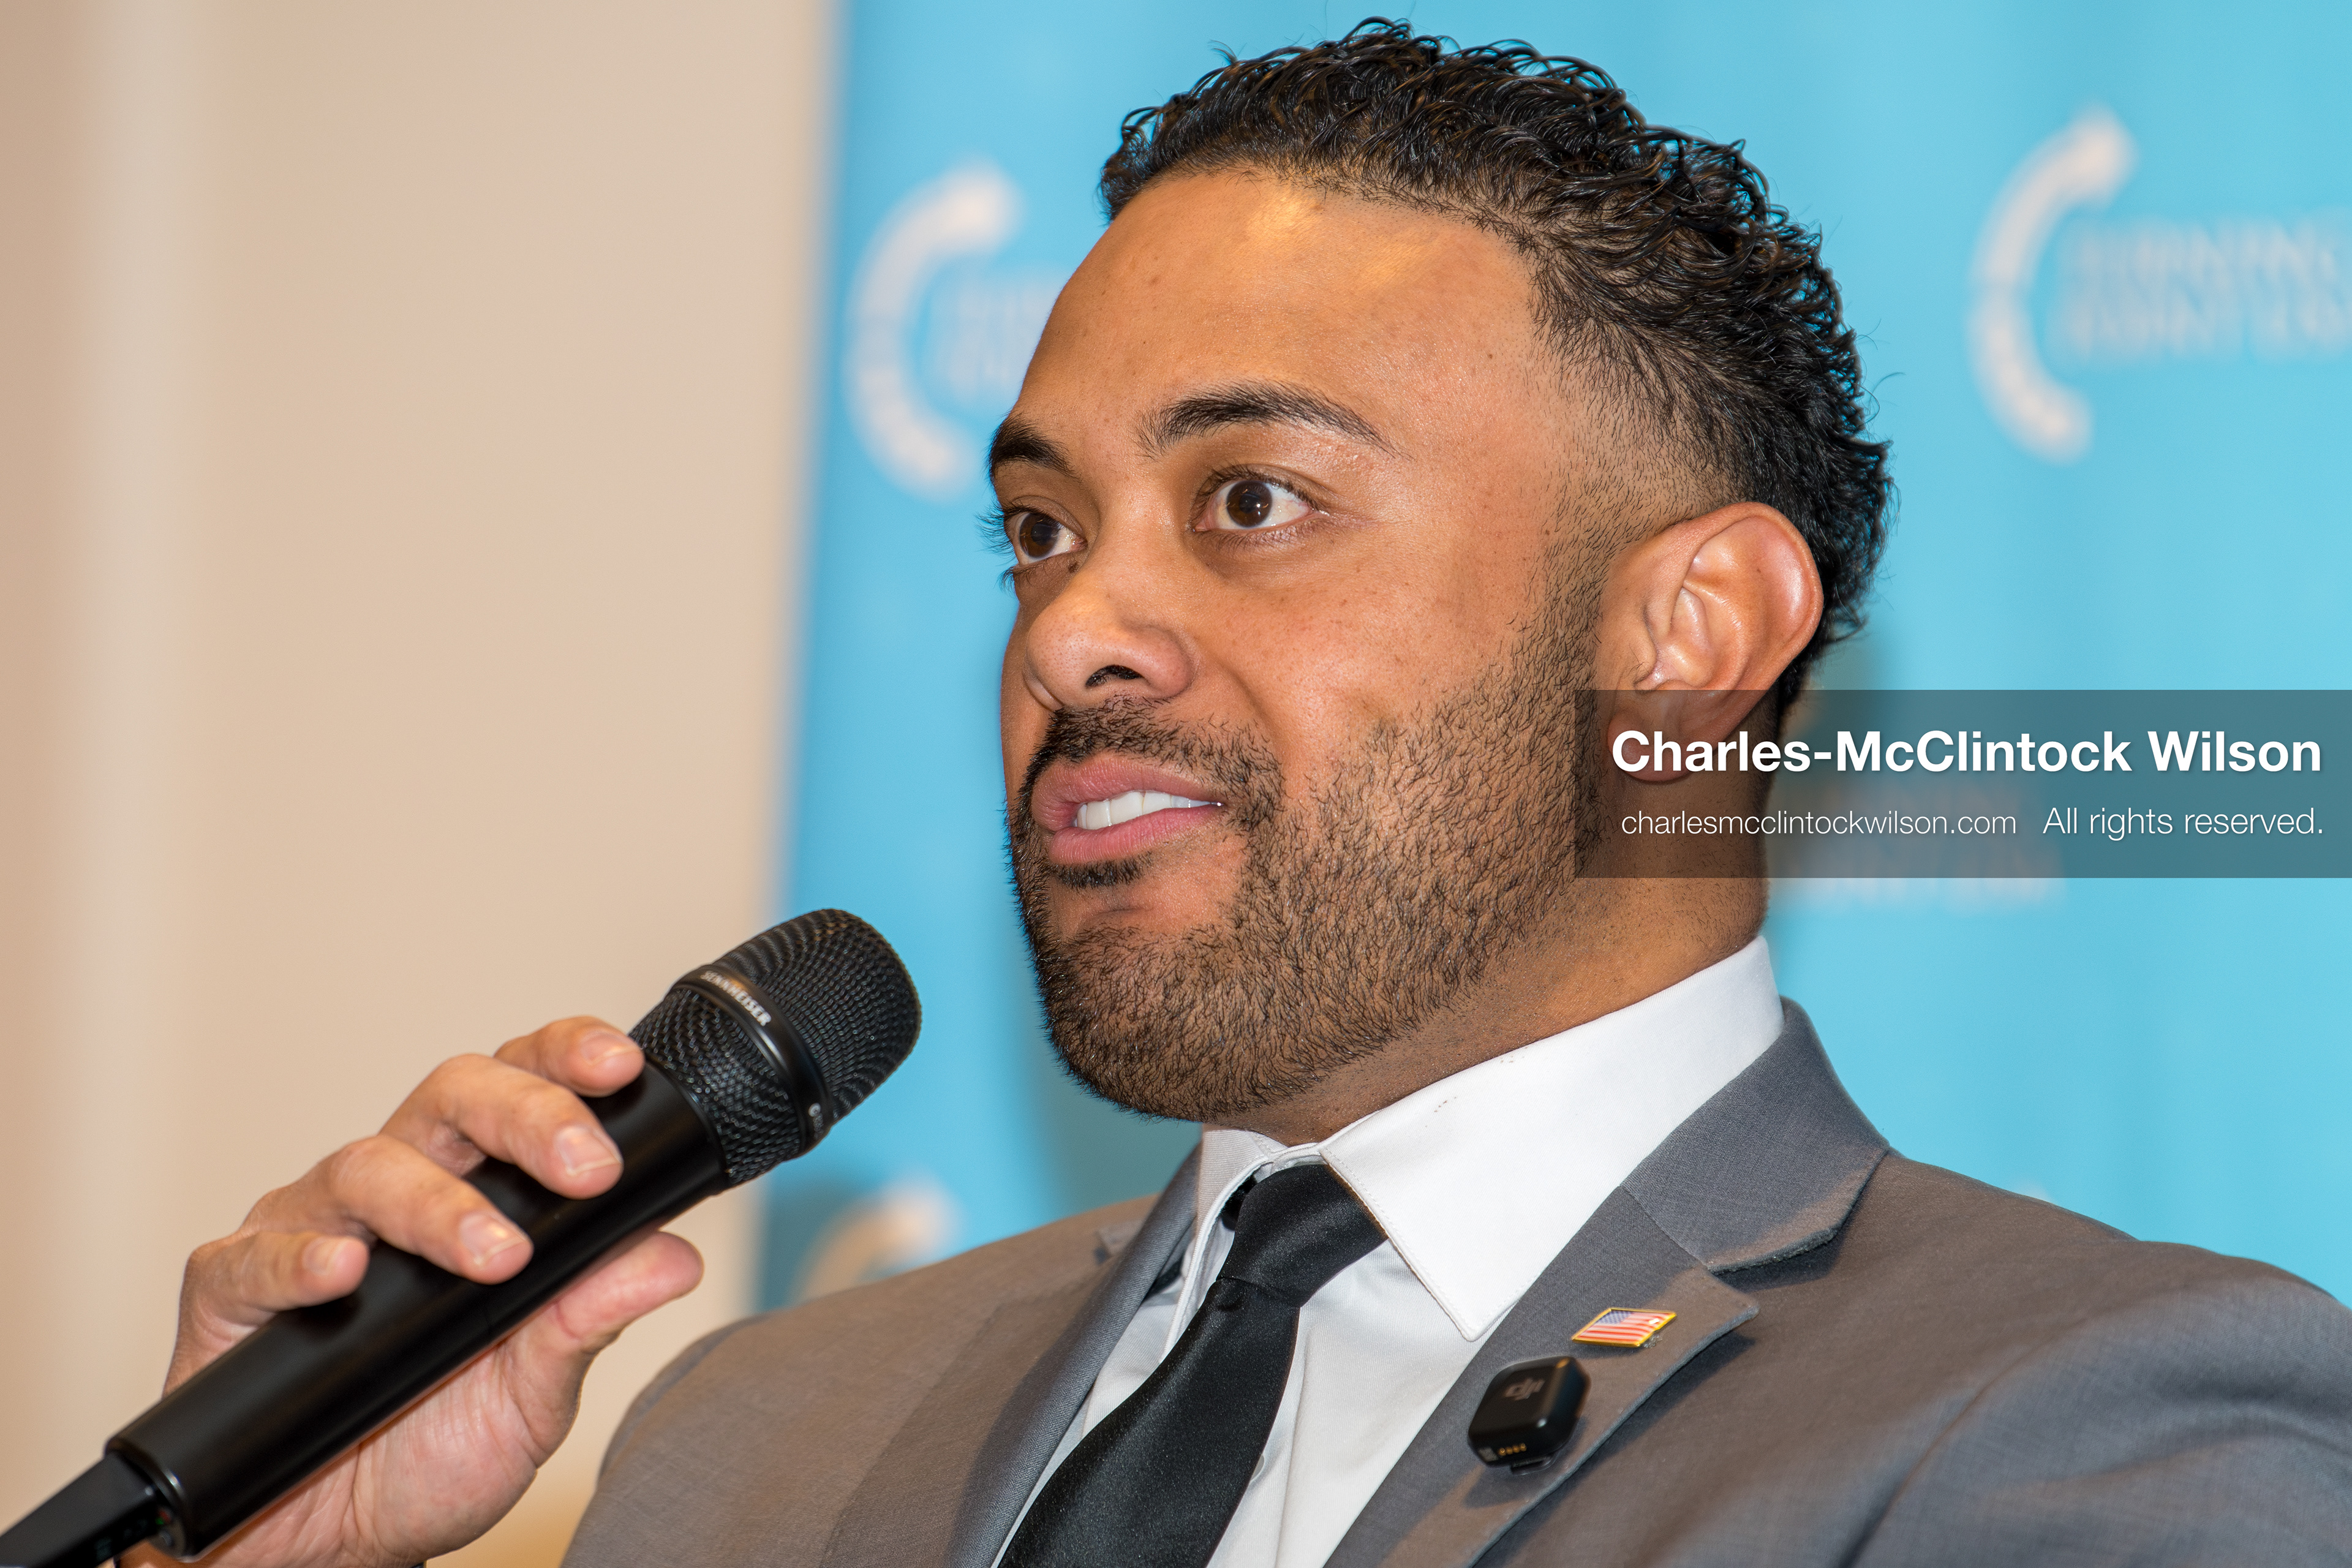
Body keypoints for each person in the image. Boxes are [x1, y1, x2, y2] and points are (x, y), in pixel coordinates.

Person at [140, 23, 2352, 1568]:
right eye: (1040, 528)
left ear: (1689, 634)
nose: (1071, 633)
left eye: (1254, 500)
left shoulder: (2093, 1427)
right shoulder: (750, 1443)